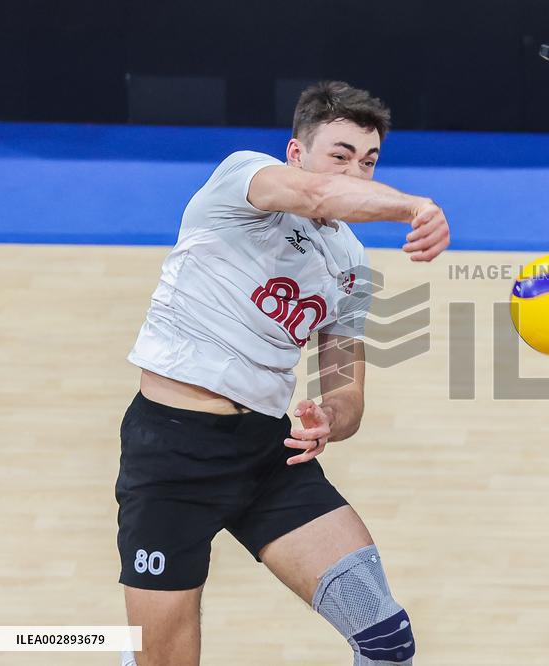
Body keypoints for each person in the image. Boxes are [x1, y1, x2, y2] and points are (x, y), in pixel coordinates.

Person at [116, 81, 450, 666]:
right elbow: (319, 194)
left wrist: (331, 420)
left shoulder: (351, 262)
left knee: (387, 642)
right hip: (172, 453)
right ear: (296, 153)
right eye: (341, 155)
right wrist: (414, 207)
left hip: (268, 457)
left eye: (369, 161)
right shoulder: (245, 179)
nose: (356, 172)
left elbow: (346, 385)